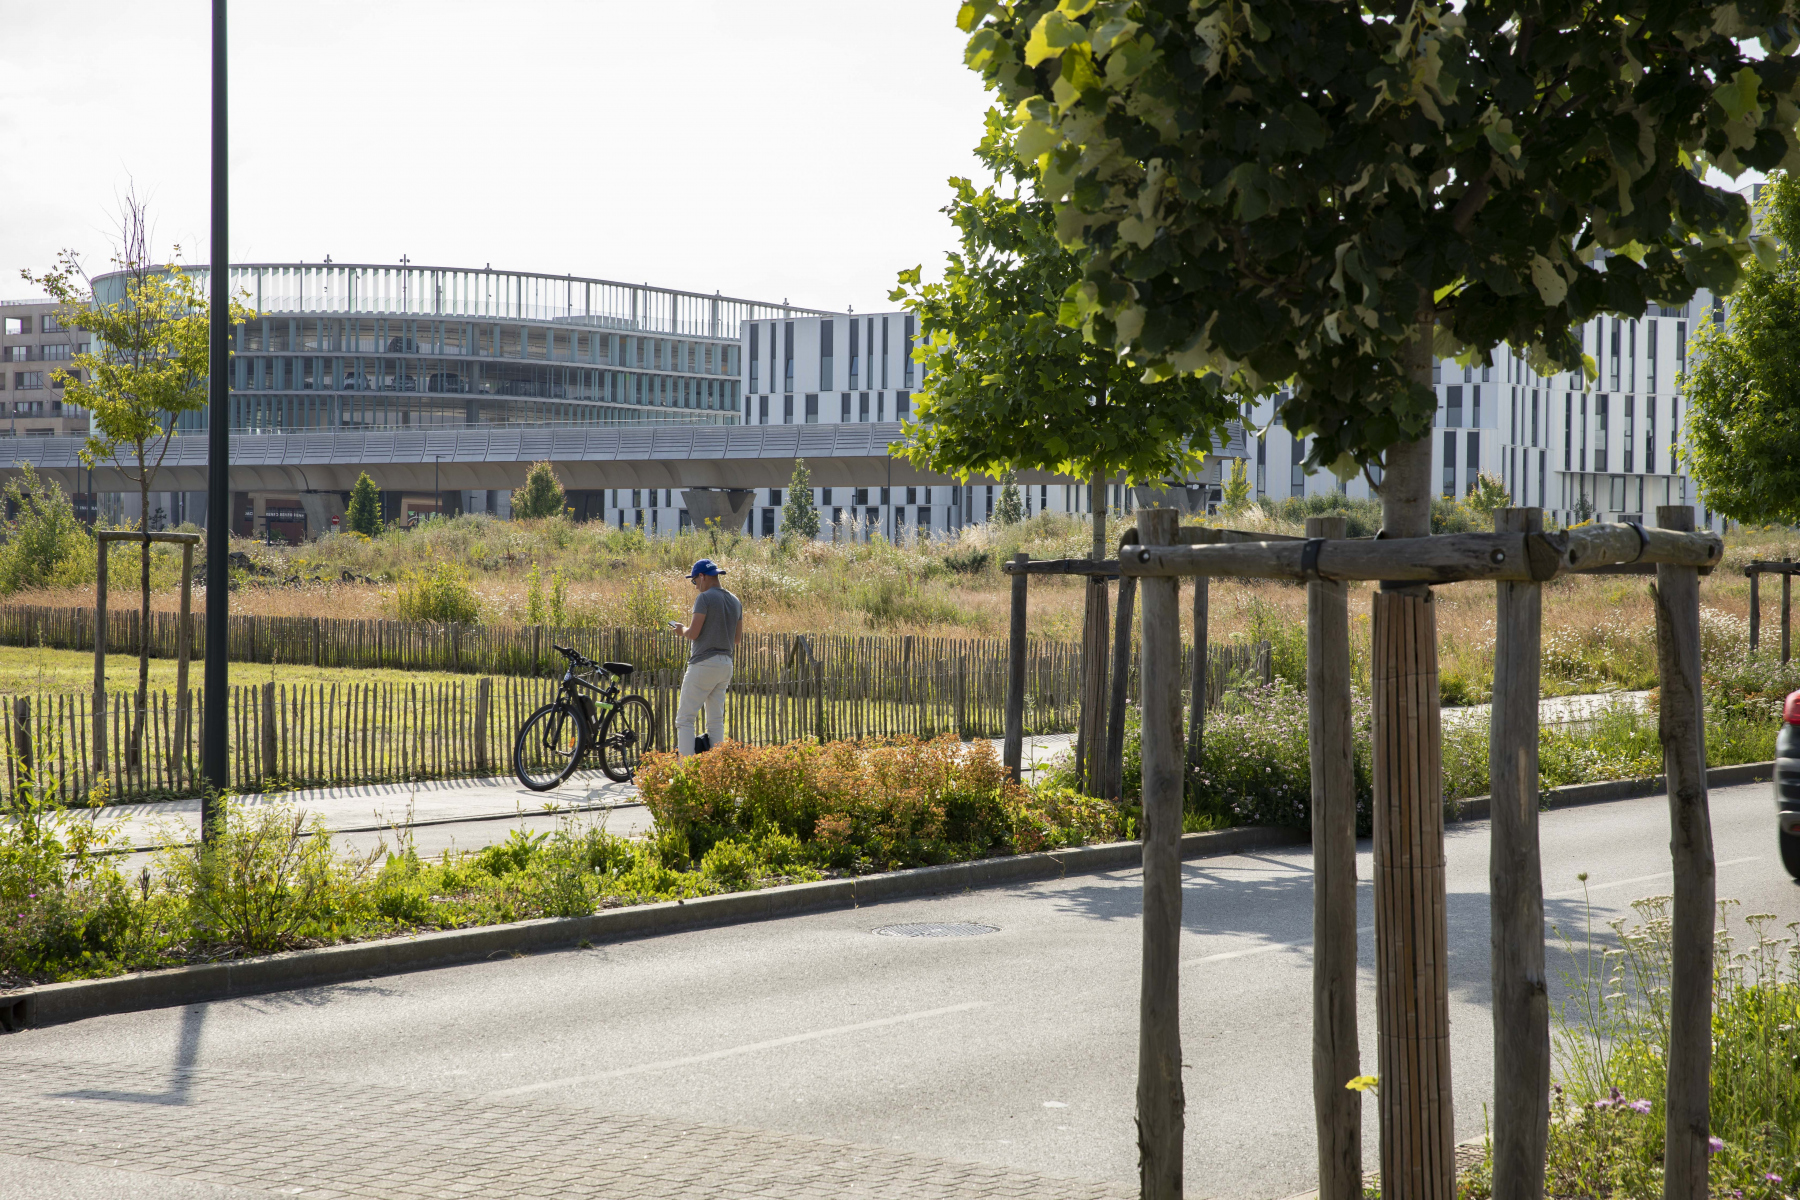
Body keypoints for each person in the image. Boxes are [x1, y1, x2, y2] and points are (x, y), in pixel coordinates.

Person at [669, 558, 742, 757]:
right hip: (726, 664)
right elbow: (737, 639)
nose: (695, 586)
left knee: (685, 719)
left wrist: (681, 630)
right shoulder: (735, 601)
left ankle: (685, 768)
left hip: (703, 663)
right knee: (716, 720)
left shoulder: (704, 598)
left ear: (702, 577)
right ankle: (715, 768)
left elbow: (693, 633)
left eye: (694, 581)